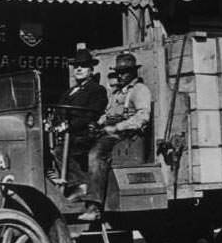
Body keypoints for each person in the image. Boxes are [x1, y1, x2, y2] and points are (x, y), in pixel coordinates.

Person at [79, 52, 152, 222]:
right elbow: (108, 114)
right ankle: (81, 189)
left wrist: (116, 127)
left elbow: (142, 118)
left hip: (127, 138)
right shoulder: (117, 93)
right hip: (110, 134)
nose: (121, 75)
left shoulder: (140, 90)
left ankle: (94, 206)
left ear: (134, 72)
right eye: (118, 71)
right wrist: (97, 123)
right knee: (79, 144)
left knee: (95, 154)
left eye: (125, 71)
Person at [52, 47, 108, 199]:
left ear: (90, 69)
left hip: (85, 134)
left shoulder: (97, 90)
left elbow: (91, 114)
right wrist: (57, 124)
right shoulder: (69, 92)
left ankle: (81, 185)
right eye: (76, 66)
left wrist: (70, 126)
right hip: (67, 134)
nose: (78, 69)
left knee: (59, 150)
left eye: (83, 66)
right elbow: (59, 111)